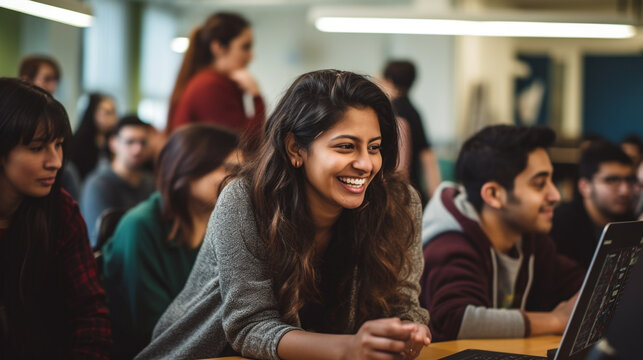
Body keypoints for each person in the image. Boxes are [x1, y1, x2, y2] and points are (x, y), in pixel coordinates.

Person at [136, 70, 431, 360]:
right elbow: (249, 326)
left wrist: (407, 332)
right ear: (295, 148)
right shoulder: (245, 200)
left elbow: (403, 304)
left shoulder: (399, 204)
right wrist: (348, 348)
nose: (366, 164)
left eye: (374, 147)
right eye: (346, 147)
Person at [420, 125, 585, 342]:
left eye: (551, 181)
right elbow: (455, 319)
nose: (555, 195)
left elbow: (578, 282)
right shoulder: (448, 245)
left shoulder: (528, 239)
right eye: (539, 184)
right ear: (494, 194)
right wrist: (555, 320)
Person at [102, 124, 240, 359]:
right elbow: (154, 332)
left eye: (241, 171)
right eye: (229, 169)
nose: (237, 181)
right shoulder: (139, 227)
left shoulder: (225, 223)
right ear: (188, 168)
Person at [0, 78, 111, 358]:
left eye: (58, 145)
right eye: (37, 148)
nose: (56, 161)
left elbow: (91, 314)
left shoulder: (61, 211)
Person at [165, 12, 265, 150]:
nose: (251, 56)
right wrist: (256, 97)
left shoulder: (214, 83)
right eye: (245, 47)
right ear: (218, 47)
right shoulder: (209, 86)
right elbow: (245, 144)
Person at [551, 141, 637, 270]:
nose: (625, 190)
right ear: (585, 186)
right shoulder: (560, 224)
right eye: (612, 180)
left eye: (629, 180)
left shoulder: (629, 221)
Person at [80, 115, 156, 247]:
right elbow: (99, 240)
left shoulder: (151, 182)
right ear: (113, 143)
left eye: (142, 142)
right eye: (130, 142)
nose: (137, 149)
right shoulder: (98, 184)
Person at [381, 60, 441, 202]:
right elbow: (427, 156)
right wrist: (435, 195)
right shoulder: (414, 112)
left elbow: (401, 165)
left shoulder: (394, 112)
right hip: (414, 190)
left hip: (399, 194)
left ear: (388, 80)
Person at [69, 93, 118, 180]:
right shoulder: (78, 142)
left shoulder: (115, 140)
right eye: (107, 113)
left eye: (114, 112)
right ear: (93, 112)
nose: (113, 118)